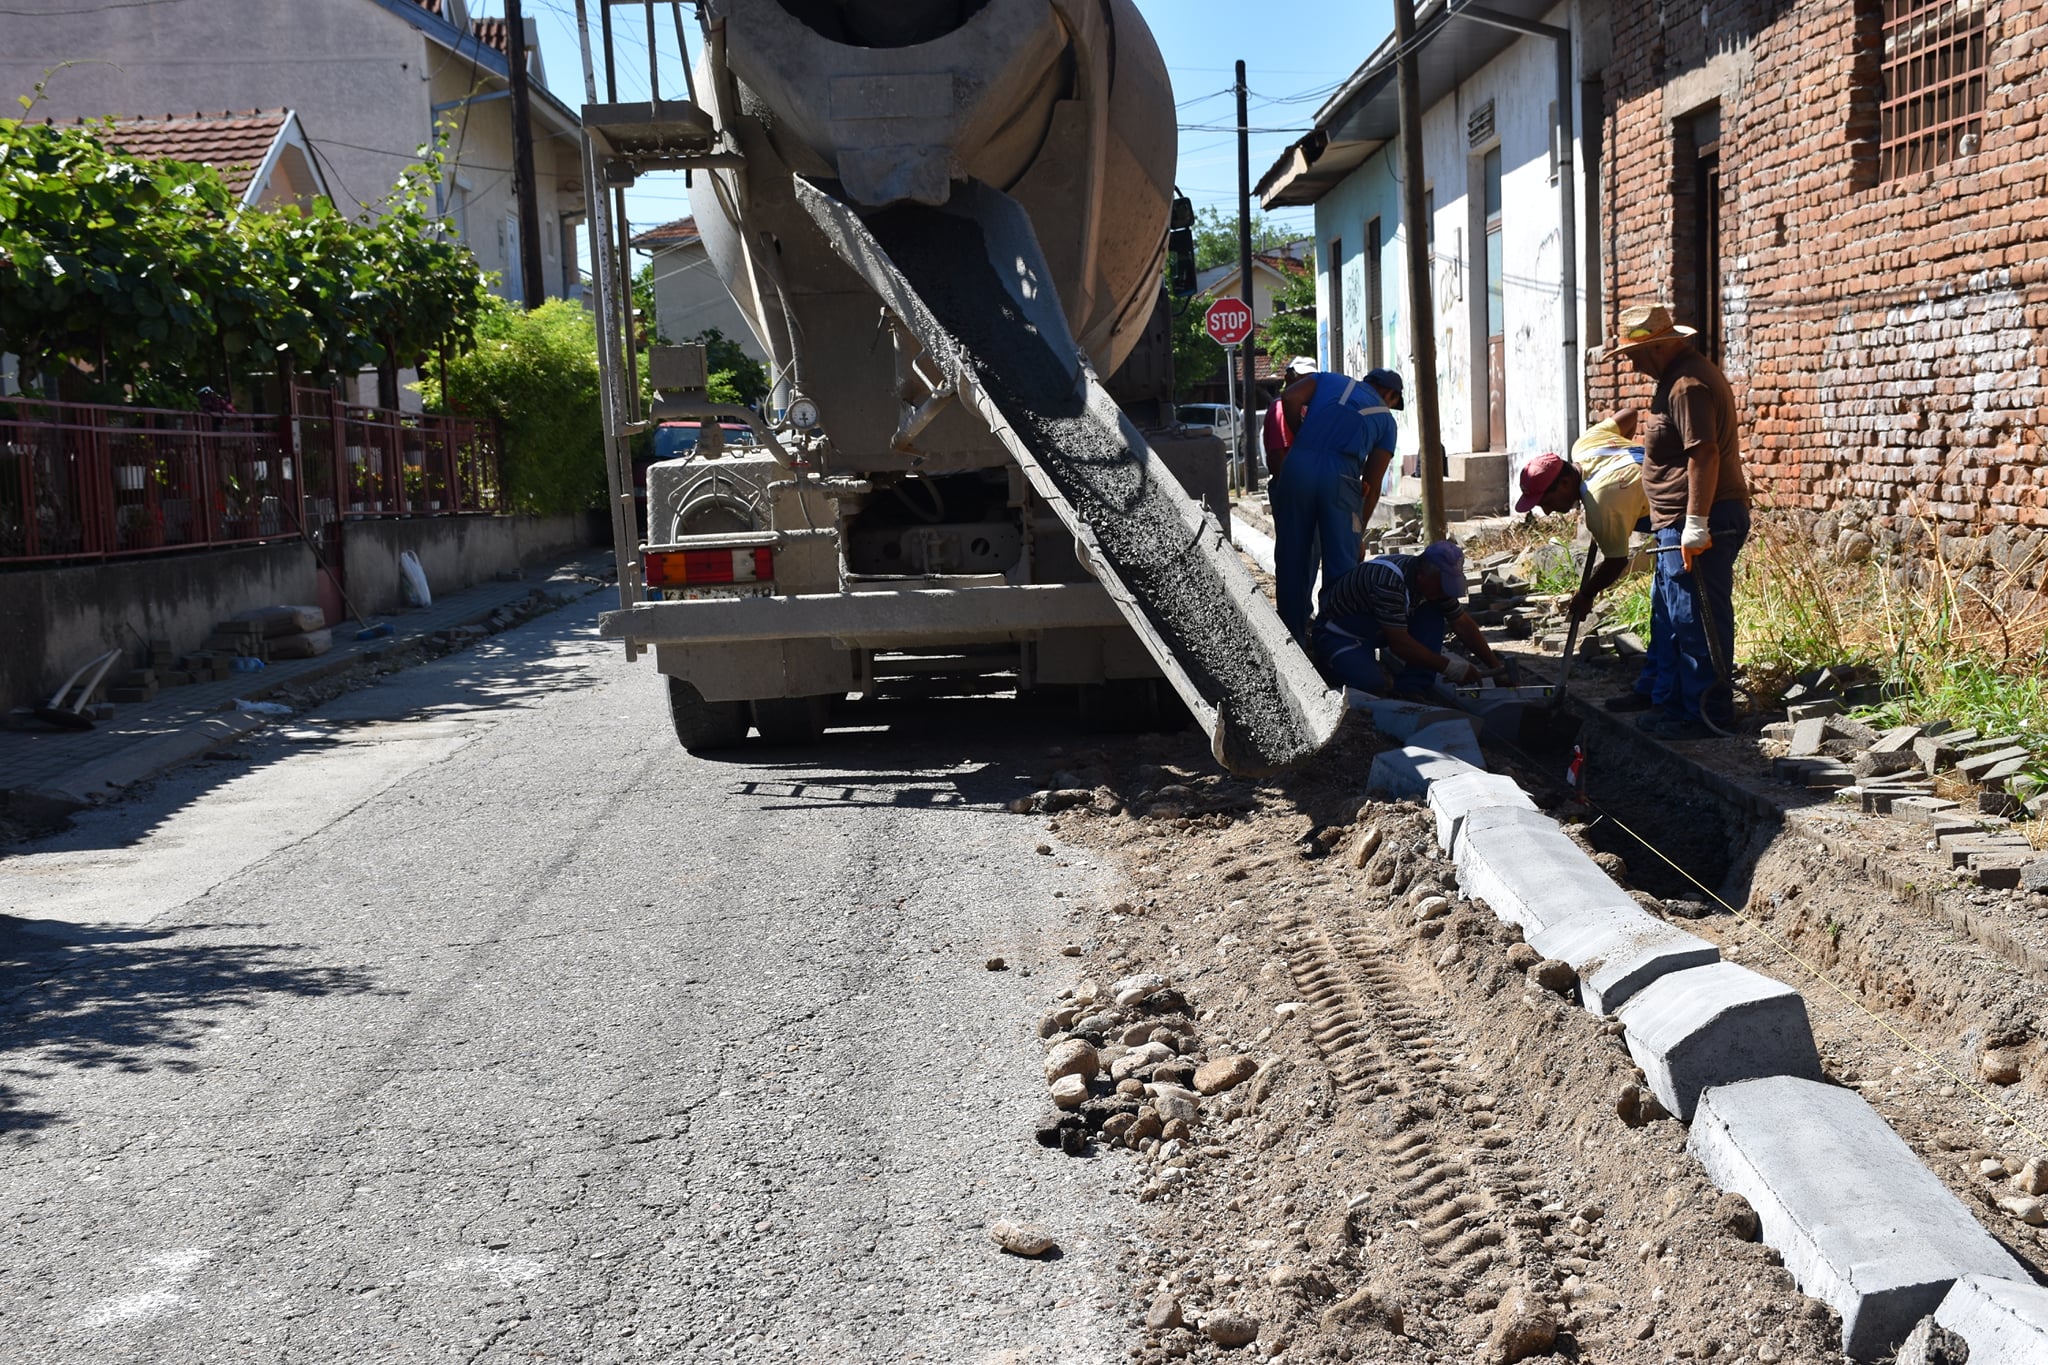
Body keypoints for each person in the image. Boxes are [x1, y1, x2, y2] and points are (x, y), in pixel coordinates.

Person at [1604, 304, 1750, 739]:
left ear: (1658, 347)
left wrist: (1696, 523)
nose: (1633, 364)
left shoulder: (1687, 385)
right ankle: (1676, 705)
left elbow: (1703, 454)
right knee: (1676, 619)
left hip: (1702, 517)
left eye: (1635, 354)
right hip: (1678, 519)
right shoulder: (1677, 378)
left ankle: (1705, 714)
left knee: (1696, 618)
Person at [1513, 408, 1660, 709]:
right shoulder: (1586, 444)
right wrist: (1626, 464)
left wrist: (1587, 594)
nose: (1547, 511)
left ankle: (1672, 698)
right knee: (1663, 610)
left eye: (1546, 501)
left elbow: (1616, 561)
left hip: (1690, 519)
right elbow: (1629, 415)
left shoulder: (1601, 504)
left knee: (1672, 615)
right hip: (1670, 511)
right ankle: (1656, 690)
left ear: (1565, 483)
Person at [1266, 366, 1403, 645]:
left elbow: (1290, 398)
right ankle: (1334, 644)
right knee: (1341, 564)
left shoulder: (1328, 380)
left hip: (1297, 467)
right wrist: (1359, 533)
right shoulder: (1387, 421)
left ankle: (1291, 640)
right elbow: (1373, 483)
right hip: (1341, 478)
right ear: (1390, 394)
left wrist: (1301, 434)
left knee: (1292, 556)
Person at [1311, 539, 1505, 698]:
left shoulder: (1436, 582)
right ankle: (1331, 661)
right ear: (1421, 575)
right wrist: (1450, 667)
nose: (1443, 593)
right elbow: (1400, 644)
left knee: (1432, 613)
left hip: (1378, 629)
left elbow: (1462, 624)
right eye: (1440, 587)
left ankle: (1413, 688)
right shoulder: (1389, 581)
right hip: (1339, 633)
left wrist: (1496, 667)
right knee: (1370, 684)